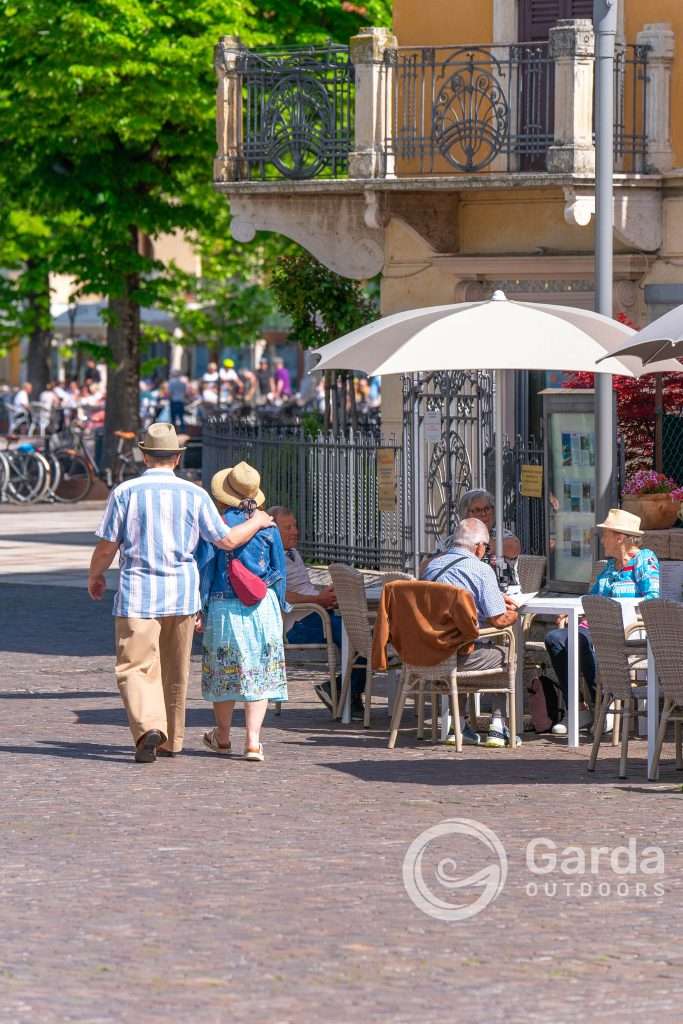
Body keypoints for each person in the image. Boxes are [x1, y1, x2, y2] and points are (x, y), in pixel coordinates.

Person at [87, 423, 274, 764]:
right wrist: (258, 522)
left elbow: (107, 546)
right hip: (182, 595)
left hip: (138, 594)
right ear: (176, 458)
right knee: (176, 671)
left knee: (134, 666)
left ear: (144, 455)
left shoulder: (125, 492)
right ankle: (170, 740)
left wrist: (95, 574)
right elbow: (227, 540)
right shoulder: (195, 494)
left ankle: (147, 728)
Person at [544, 508, 659, 735]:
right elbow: (592, 599)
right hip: (595, 627)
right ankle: (578, 709)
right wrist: (573, 611)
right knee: (556, 638)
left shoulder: (645, 560)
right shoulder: (609, 566)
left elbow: (652, 600)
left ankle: (602, 707)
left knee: (589, 643)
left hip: (625, 630)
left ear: (620, 537)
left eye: (605, 534)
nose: (601, 539)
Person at [200, 462, 287, 763]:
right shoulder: (268, 526)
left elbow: (206, 569)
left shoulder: (219, 523)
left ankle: (222, 736)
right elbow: (279, 571)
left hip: (224, 606)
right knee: (258, 674)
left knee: (226, 673)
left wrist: (202, 606)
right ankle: (253, 741)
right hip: (261, 606)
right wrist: (281, 604)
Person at [421, 518, 520, 747]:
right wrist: (514, 614)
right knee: (507, 652)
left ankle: (459, 724)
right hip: (461, 660)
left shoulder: (431, 567)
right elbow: (498, 619)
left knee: (462, 637)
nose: (484, 552)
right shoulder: (480, 570)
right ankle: (497, 725)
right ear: (478, 547)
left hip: (428, 655)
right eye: (485, 547)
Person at [269, 505, 366, 720]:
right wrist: (318, 600)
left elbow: (304, 588)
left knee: (363, 631)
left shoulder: (293, 553)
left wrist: (327, 595)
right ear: (274, 531)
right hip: (297, 624)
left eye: (295, 526)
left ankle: (344, 691)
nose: (295, 531)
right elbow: (281, 595)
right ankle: (346, 693)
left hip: (315, 613)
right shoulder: (272, 558)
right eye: (288, 528)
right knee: (356, 635)